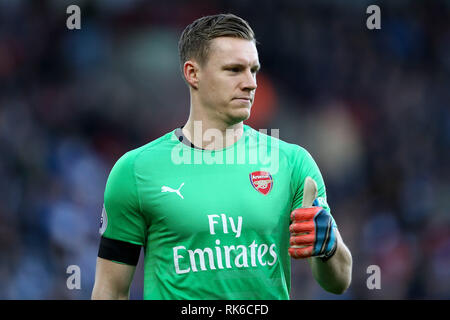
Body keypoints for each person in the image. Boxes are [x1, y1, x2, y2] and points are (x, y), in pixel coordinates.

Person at [91, 13, 352, 300]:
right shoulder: (136, 171)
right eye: (234, 70)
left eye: (253, 70)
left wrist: (329, 246)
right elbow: (110, 291)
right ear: (193, 74)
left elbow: (338, 282)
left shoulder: (293, 163)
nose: (251, 83)